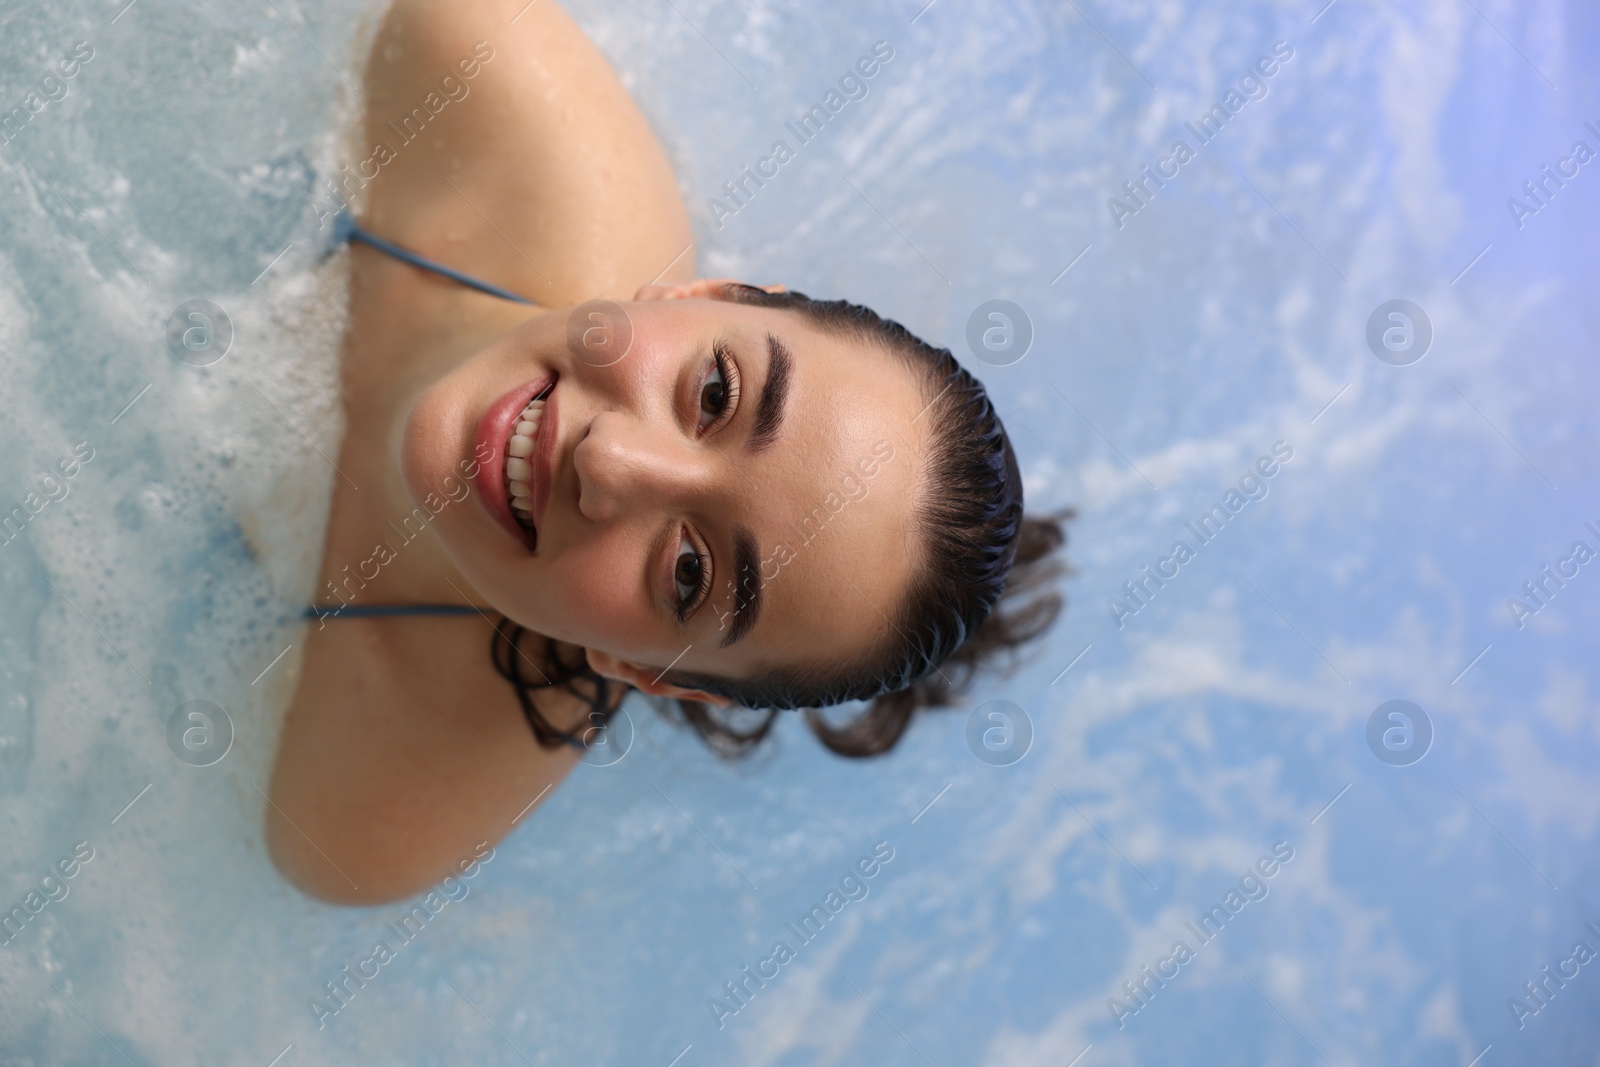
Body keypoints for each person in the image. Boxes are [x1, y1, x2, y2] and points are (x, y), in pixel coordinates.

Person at [266, 0, 1068, 905]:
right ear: (714, 291)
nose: (610, 463)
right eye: (717, 394)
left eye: (690, 573)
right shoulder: (481, 69)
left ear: (643, 674)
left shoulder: (364, 812)